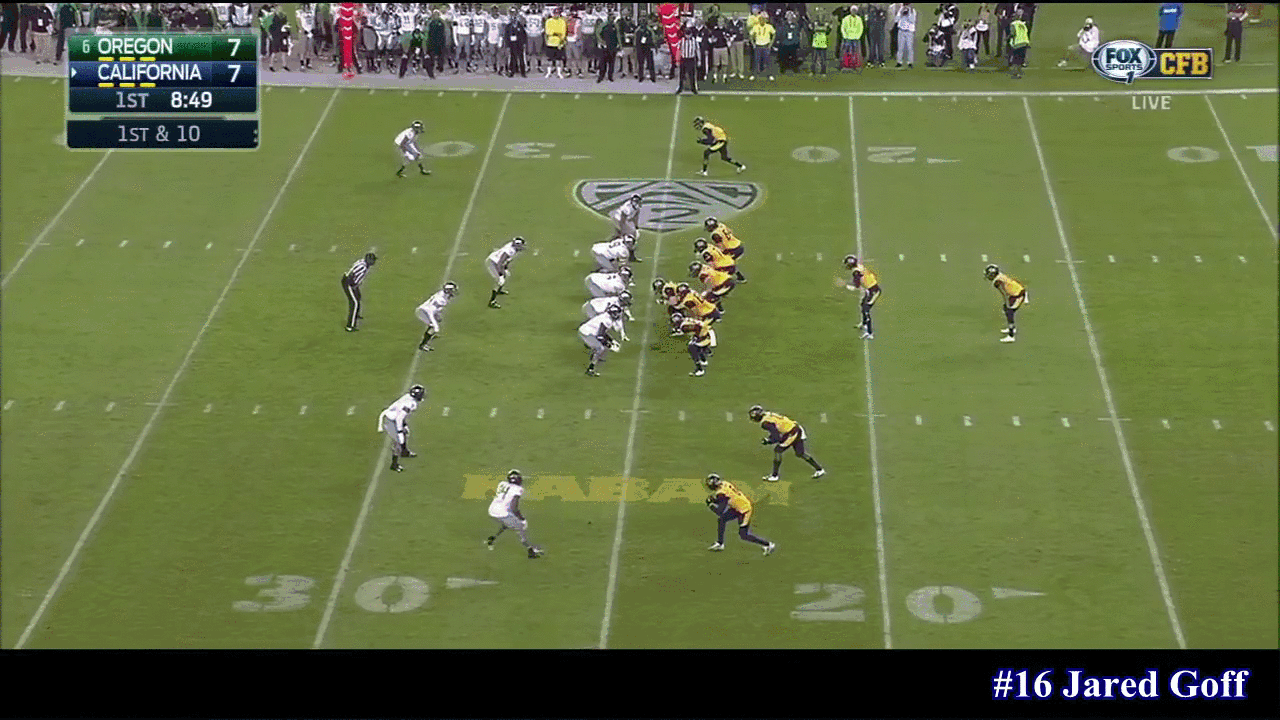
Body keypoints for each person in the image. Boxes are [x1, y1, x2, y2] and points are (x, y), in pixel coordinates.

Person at [748, 405, 826, 482]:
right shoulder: (768, 414)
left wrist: (768, 441)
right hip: (796, 427)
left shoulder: (765, 423)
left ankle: (774, 476)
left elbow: (776, 437)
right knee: (800, 453)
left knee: (778, 450)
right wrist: (770, 439)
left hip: (792, 433)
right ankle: (819, 470)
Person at [704, 474, 776, 555]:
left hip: (744, 510)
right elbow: (726, 498)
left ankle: (768, 545)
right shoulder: (724, 483)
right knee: (722, 520)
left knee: (743, 535)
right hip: (738, 506)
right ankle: (720, 544)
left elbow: (720, 511)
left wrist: (711, 505)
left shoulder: (721, 493)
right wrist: (715, 500)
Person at [486, 470, 544, 559]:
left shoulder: (502, 484)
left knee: (507, 524)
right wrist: (521, 518)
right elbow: (514, 507)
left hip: (492, 509)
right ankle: (530, 550)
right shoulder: (517, 489)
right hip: (503, 513)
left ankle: (492, 538)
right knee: (521, 528)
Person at [379, 385, 425, 473]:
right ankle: (394, 465)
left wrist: (404, 425)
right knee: (398, 442)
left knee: (405, 433)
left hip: (395, 417)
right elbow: (399, 418)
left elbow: (398, 411)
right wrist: (399, 430)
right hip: (390, 420)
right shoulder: (410, 404)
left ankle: (404, 452)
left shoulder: (408, 397)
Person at [983, 264, 1027, 342]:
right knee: (1007, 310)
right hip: (1017, 293)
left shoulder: (998, 281)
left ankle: (1011, 335)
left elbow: (1004, 293)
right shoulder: (1000, 276)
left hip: (1017, 296)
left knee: (1010, 313)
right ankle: (1012, 328)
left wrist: (1007, 303)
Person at [580, 304, 626, 377]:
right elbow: (600, 337)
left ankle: (594, 355)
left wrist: (612, 340)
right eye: (616, 313)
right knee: (600, 348)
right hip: (586, 333)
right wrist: (610, 346)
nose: (618, 315)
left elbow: (603, 332)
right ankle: (590, 369)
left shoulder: (606, 317)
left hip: (589, 331)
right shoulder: (607, 320)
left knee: (599, 347)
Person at [844, 255, 882, 339]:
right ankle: (864, 324)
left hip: (873, 291)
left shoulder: (856, 272)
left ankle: (869, 333)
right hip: (871, 289)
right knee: (862, 305)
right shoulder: (859, 267)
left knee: (866, 310)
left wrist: (849, 287)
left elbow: (857, 286)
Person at [485, 236, 527, 309]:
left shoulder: (512, 247)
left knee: (504, 276)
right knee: (499, 281)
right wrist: (501, 275)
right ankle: (492, 302)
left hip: (497, 262)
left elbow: (507, 260)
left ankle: (499, 290)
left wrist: (505, 268)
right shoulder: (510, 250)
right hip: (492, 263)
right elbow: (500, 263)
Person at [415, 282, 458, 351]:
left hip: (427, 310)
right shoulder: (440, 299)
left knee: (436, 322)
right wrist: (434, 324)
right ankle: (423, 345)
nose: (453, 291)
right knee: (434, 327)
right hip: (423, 312)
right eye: (452, 290)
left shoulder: (443, 294)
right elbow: (430, 311)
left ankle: (430, 334)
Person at [341, 252, 376, 332]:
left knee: (358, 296)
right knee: (354, 303)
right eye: (373, 260)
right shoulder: (363, 267)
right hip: (349, 283)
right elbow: (352, 275)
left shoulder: (363, 263)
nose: (374, 262)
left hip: (351, 281)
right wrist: (354, 285)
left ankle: (355, 314)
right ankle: (350, 326)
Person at [748, 9, 775, 80]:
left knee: (768, 61)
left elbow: (774, 34)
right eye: (761, 19)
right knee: (756, 61)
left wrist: (770, 44)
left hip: (766, 46)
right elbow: (750, 35)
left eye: (764, 19)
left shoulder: (769, 26)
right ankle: (754, 74)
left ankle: (769, 75)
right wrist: (753, 44)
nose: (762, 20)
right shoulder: (756, 26)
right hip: (758, 46)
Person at [675, 20, 699, 93]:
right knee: (682, 75)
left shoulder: (694, 41)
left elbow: (697, 50)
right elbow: (678, 51)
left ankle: (693, 88)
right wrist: (677, 60)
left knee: (692, 75)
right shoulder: (681, 41)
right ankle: (680, 88)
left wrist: (699, 59)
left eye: (689, 34)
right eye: (687, 34)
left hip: (691, 59)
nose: (688, 36)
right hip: (684, 59)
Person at [544, 5, 566, 77]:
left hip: (559, 43)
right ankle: (549, 72)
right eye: (555, 13)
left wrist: (561, 39)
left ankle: (559, 73)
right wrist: (556, 33)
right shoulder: (548, 21)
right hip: (550, 42)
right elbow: (548, 31)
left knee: (558, 59)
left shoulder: (562, 21)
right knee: (549, 59)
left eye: (558, 13)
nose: (556, 14)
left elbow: (563, 32)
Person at [596, 12, 619, 82]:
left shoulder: (615, 25)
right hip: (605, 46)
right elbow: (597, 33)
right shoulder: (603, 25)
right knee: (603, 62)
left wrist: (619, 45)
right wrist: (601, 41)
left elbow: (618, 35)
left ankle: (610, 76)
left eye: (613, 17)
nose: (612, 18)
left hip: (613, 45)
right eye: (611, 17)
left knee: (611, 62)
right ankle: (601, 76)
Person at [1007, 8, 1029, 78]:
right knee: (1020, 60)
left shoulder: (1013, 24)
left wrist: (1008, 38)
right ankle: (1019, 73)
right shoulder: (1023, 24)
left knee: (1015, 60)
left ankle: (1016, 73)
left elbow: (1013, 34)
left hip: (1017, 43)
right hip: (1024, 43)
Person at [504, 10, 527, 77]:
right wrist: (508, 45)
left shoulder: (520, 26)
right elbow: (506, 36)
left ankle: (523, 72)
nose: (514, 21)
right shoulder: (508, 26)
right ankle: (512, 72)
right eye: (512, 20)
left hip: (519, 44)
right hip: (512, 44)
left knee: (521, 58)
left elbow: (524, 34)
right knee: (512, 58)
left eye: (515, 20)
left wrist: (524, 43)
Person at [635, 14, 657, 81]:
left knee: (650, 63)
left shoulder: (649, 29)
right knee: (641, 63)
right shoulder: (638, 30)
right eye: (641, 20)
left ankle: (652, 77)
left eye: (644, 20)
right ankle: (641, 77)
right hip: (640, 48)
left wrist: (654, 45)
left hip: (648, 47)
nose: (642, 22)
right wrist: (635, 47)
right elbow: (635, 39)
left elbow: (653, 37)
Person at [810, 10, 831, 74]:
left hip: (823, 43)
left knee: (823, 59)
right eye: (819, 15)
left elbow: (827, 32)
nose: (820, 16)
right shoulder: (814, 23)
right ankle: (812, 71)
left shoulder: (826, 24)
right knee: (814, 59)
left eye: (822, 15)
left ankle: (823, 72)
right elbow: (812, 31)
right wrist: (810, 28)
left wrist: (830, 28)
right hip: (815, 43)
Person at [894, 3, 915, 68]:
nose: (906, 6)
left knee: (909, 47)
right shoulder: (900, 10)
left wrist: (908, 13)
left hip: (909, 31)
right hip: (901, 31)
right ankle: (899, 62)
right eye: (905, 5)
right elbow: (896, 20)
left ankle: (910, 62)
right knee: (900, 47)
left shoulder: (912, 11)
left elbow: (912, 20)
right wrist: (901, 13)